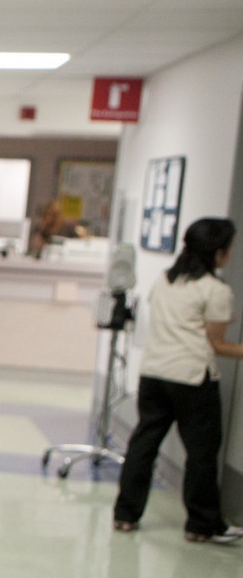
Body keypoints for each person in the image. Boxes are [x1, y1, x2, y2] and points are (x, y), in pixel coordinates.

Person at [113, 217, 243, 544]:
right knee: (200, 453)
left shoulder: (166, 280)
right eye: (229, 247)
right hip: (191, 378)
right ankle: (202, 525)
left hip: (154, 374)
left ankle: (125, 515)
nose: (231, 253)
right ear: (217, 252)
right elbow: (219, 345)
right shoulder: (215, 290)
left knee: (144, 443)